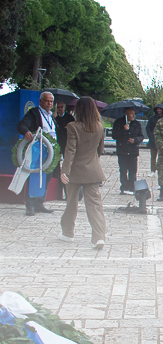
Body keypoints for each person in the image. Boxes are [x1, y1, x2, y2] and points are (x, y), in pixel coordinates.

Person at [57, 97, 107, 249]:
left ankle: (68, 233)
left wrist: (65, 170)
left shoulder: (72, 126)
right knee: (95, 205)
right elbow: (100, 150)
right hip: (93, 171)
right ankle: (99, 237)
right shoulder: (99, 127)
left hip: (74, 172)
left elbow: (70, 150)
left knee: (71, 203)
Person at [16, 91, 57, 215]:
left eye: (51, 101)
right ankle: (30, 205)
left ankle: (40, 203)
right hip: (37, 151)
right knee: (34, 177)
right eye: (46, 101)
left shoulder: (51, 116)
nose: (49, 103)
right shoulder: (34, 113)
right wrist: (26, 131)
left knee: (47, 177)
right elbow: (22, 125)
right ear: (40, 101)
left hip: (51, 152)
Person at [111, 107, 144, 194]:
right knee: (123, 170)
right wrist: (123, 130)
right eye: (131, 113)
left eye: (134, 113)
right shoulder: (118, 122)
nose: (133, 115)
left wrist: (135, 140)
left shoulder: (137, 124)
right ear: (126, 114)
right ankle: (124, 187)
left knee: (133, 170)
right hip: (122, 150)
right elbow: (114, 135)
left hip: (133, 151)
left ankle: (132, 187)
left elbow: (141, 136)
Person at [53, 100, 75, 200]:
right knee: (57, 168)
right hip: (58, 144)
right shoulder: (55, 118)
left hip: (67, 144)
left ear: (64, 108)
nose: (60, 109)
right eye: (58, 107)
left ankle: (68, 192)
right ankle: (58, 193)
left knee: (67, 167)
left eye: (61, 107)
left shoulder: (70, 118)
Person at [145, 104, 163, 177]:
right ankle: (153, 170)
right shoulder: (152, 118)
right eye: (157, 109)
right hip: (153, 140)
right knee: (153, 157)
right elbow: (148, 128)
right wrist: (151, 137)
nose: (159, 110)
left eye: (160, 109)